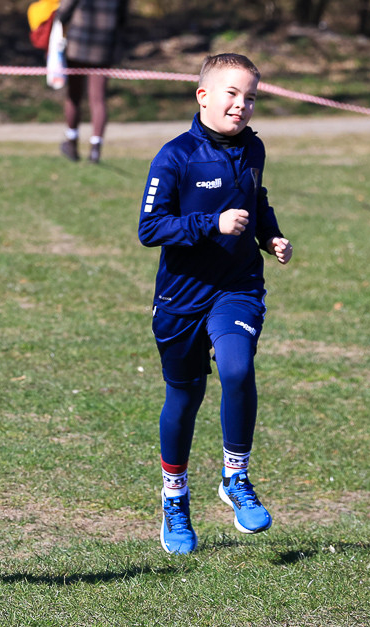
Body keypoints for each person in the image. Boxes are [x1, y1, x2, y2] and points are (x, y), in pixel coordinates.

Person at [138, 53, 294, 555]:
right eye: (232, 93)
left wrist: (270, 236)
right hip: (182, 296)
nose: (242, 104)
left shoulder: (254, 149)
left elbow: (256, 197)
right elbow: (150, 229)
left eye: (250, 96)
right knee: (184, 399)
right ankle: (175, 501)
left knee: (236, 368)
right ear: (203, 95)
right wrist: (212, 224)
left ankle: (235, 476)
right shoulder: (174, 156)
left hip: (237, 287)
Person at [55, 0, 128, 163]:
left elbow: (62, 14)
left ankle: (72, 141)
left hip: (77, 50)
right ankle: (96, 147)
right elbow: (123, 21)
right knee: (98, 100)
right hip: (104, 51)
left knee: (74, 97)